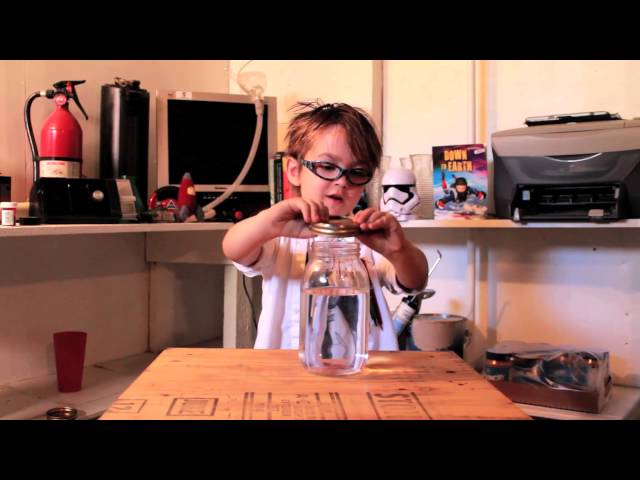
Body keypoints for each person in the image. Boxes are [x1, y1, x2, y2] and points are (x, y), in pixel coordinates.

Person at [222, 101, 428, 351]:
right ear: (294, 170)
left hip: (364, 369)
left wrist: (399, 249)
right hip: (288, 371)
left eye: (357, 171)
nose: (342, 181)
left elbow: (415, 281)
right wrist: (270, 222)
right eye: (328, 167)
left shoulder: (366, 236)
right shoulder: (281, 235)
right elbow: (233, 247)